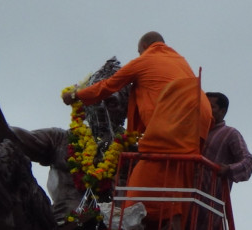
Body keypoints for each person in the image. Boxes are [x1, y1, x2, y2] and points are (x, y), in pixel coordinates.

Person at [0, 39, 129, 228]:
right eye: (95, 100)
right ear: (86, 105)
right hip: (58, 224)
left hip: (115, 225)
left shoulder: (135, 150)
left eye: (110, 102)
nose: (101, 108)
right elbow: (6, 137)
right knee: (5, 157)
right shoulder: (60, 139)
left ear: (125, 108)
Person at [62, 31, 213, 230]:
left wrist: (77, 95)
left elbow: (109, 85)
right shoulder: (179, 60)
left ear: (143, 47)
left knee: (139, 184)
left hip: (172, 119)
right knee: (177, 178)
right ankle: (173, 222)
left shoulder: (144, 60)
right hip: (198, 120)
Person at [198, 92, 252, 229]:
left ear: (222, 112)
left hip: (210, 208)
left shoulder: (229, 133)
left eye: (211, 107)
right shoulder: (195, 130)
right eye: (203, 106)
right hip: (186, 202)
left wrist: (228, 169)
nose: (206, 110)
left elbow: (248, 162)